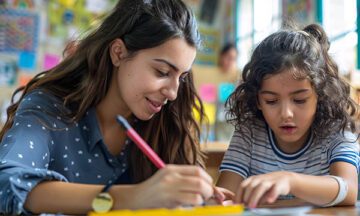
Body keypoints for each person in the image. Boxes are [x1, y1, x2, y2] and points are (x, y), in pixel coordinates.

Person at [0, 0, 227, 214]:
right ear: (118, 53)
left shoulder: (166, 121)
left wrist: (197, 199)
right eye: (162, 72)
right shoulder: (51, 107)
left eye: (182, 77)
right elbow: (8, 182)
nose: (173, 92)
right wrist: (129, 197)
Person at [217, 23, 360, 208]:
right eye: (271, 101)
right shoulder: (250, 133)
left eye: (300, 100)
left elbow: (349, 190)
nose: (286, 114)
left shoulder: (336, 129)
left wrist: (289, 180)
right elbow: (226, 199)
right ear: (258, 100)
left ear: (320, 96)